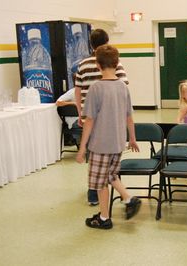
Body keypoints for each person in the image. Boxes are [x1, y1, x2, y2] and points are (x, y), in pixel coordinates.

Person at [76, 44, 141, 229]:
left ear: (97, 64)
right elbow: (129, 116)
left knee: (99, 182)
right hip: (118, 142)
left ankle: (105, 218)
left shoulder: (96, 88)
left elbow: (89, 121)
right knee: (111, 175)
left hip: (100, 144)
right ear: (117, 63)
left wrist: (82, 148)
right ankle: (127, 199)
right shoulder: (122, 86)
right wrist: (133, 138)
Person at [75, 28, 129, 205]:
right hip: (110, 116)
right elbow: (123, 86)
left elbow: (78, 89)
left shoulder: (82, 64)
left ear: (91, 44)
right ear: (107, 42)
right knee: (107, 155)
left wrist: (79, 112)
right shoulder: (115, 63)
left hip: (89, 113)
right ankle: (107, 188)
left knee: (93, 152)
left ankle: (94, 192)